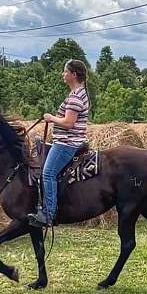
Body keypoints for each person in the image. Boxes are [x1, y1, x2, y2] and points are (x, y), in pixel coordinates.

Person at [28, 59, 90, 227]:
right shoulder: (80, 93)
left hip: (67, 144)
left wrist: (50, 118)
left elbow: (69, 123)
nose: (63, 75)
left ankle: (48, 214)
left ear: (73, 75)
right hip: (68, 141)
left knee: (48, 173)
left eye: (65, 72)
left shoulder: (76, 97)